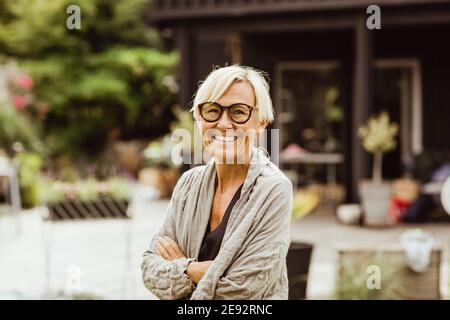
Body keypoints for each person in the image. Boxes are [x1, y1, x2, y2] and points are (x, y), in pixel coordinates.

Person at [141, 65, 293, 299]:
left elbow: (246, 288)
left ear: (261, 122)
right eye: (212, 110)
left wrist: (181, 269)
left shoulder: (274, 189)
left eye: (239, 112)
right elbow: (150, 269)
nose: (223, 123)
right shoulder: (188, 184)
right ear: (198, 118)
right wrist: (195, 270)